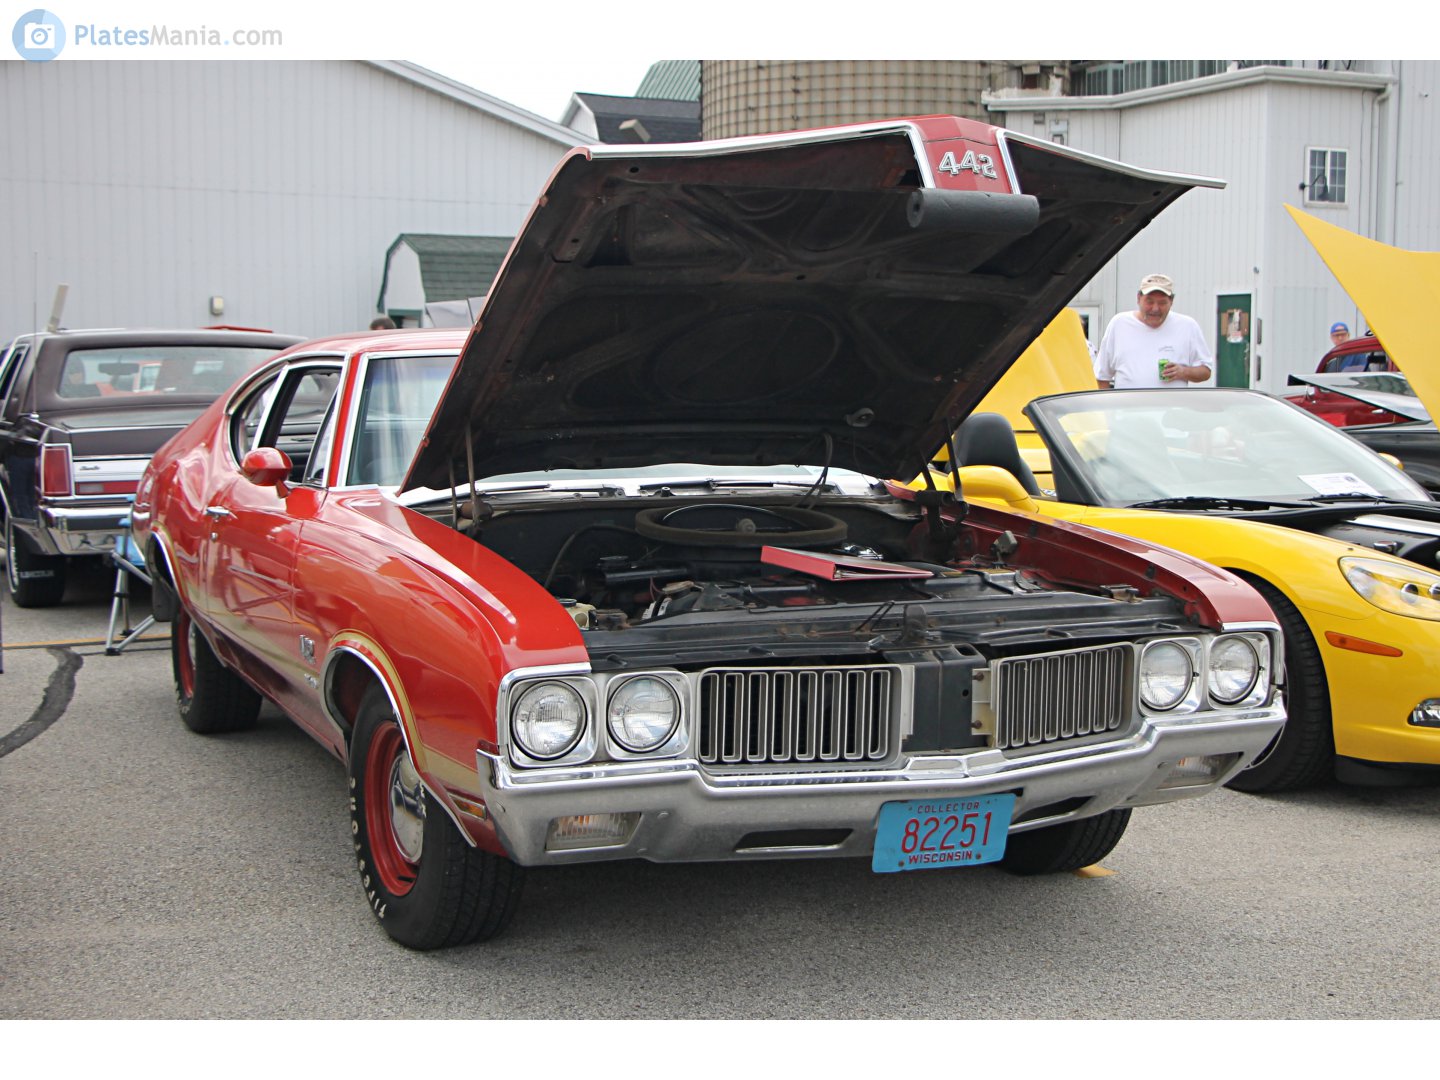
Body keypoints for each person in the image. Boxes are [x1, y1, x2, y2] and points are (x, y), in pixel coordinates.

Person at [1094, 273, 1213, 389]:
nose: (1155, 309)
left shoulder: (1187, 326)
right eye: (1149, 301)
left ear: (1171, 301)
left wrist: (1183, 372)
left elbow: (1206, 371)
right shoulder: (1119, 324)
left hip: (1173, 408)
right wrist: (1105, 408)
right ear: (1138, 298)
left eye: (1162, 303)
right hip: (1129, 409)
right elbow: (1101, 377)